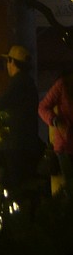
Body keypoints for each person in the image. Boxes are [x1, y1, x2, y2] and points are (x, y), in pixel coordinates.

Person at [0, 43, 42, 199]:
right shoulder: (28, 83)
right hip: (28, 143)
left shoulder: (18, 83)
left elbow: (0, 104)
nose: (7, 66)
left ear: (12, 62)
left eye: (8, 61)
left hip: (17, 145)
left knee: (17, 187)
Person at [39, 67, 73, 195]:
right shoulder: (63, 84)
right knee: (69, 187)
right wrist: (55, 121)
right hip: (65, 144)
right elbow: (43, 107)